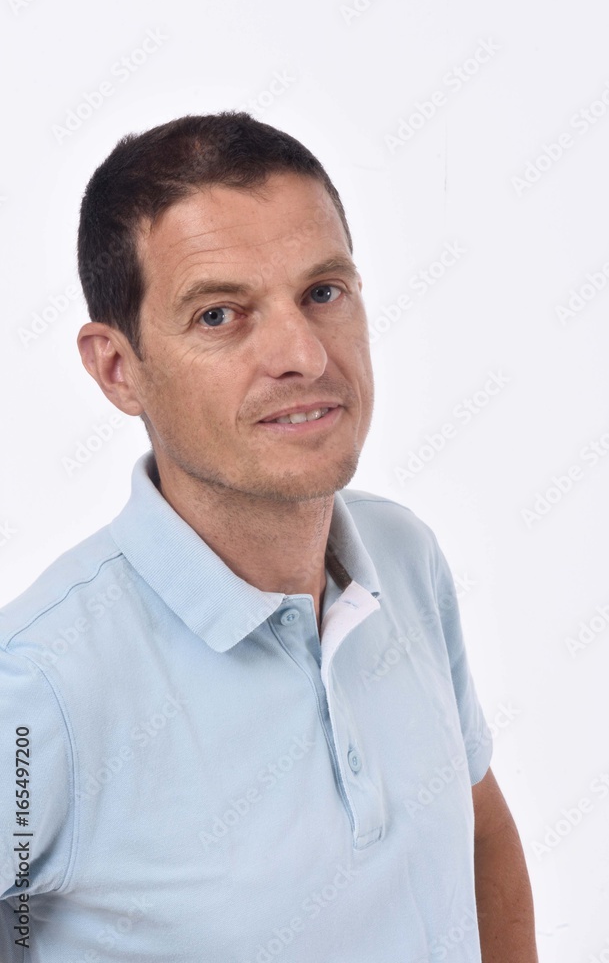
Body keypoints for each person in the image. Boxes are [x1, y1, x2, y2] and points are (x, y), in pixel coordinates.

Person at [0, 113, 538, 962]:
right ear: (117, 368)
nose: (302, 354)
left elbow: (477, 837)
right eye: (220, 314)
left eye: (323, 292)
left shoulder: (404, 560)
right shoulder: (36, 689)